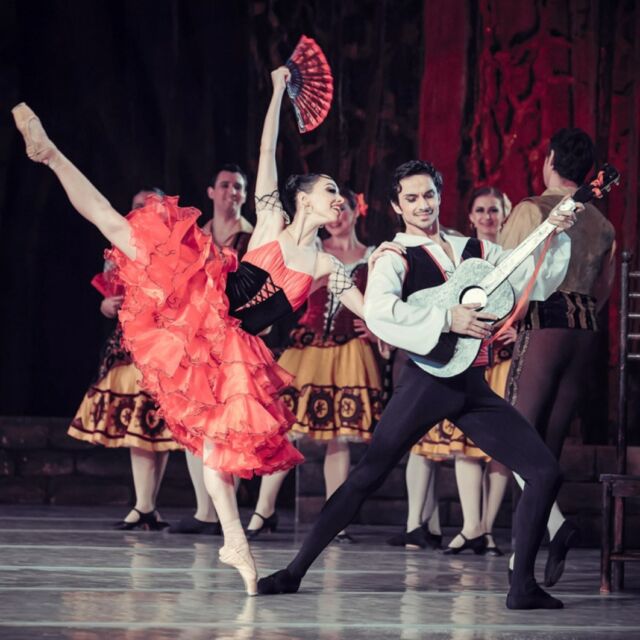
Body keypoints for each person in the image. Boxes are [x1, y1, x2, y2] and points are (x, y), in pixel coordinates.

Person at [12, 68, 382, 596]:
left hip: (232, 344)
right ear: (304, 198)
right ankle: (49, 152)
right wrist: (277, 91)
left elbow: (374, 313)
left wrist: (435, 318)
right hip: (199, 300)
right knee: (117, 225)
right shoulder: (271, 219)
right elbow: (266, 151)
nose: (339, 200)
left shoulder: (327, 265)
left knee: (218, 447)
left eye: (339, 196)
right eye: (330, 191)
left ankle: (235, 542)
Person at [257, 159, 577, 610]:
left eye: (428, 195)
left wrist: (555, 234)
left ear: (440, 197)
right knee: (367, 475)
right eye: (411, 198)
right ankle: (293, 572)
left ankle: (521, 586)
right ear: (397, 206)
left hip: (470, 384)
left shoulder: (474, 248)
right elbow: (380, 313)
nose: (422, 204)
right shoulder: (393, 255)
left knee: (545, 472)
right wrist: (446, 318)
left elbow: (532, 280)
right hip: (427, 382)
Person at [500, 128, 616, 587]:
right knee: (547, 444)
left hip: (544, 323)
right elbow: (604, 289)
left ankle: (555, 524)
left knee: (513, 435)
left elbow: (506, 271)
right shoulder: (602, 223)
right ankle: (521, 559)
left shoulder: (533, 209)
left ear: (549, 159)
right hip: (584, 332)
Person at [246, 189, 383, 542]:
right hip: (309, 350)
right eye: (333, 209)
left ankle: (334, 520)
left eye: (344, 209)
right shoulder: (314, 250)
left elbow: (380, 301)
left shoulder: (372, 256)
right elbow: (292, 292)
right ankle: (264, 509)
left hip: (349, 353)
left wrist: (376, 328)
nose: (337, 217)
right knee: (288, 428)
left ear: (357, 212)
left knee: (338, 437)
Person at [68, 188, 181, 531]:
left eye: (152, 205)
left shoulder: (174, 247)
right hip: (131, 344)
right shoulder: (120, 245)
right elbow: (111, 293)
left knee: (155, 423)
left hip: (165, 343)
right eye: (138, 206)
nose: (144, 211)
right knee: (139, 419)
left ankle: (147, 505)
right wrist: (106, 305)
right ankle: (144, 505)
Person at [168, 164, 253, 537]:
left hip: (237, 337)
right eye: (225, 185)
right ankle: (204, 509)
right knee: (196, 420)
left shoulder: (250, 237)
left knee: (231, 425)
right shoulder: (195, 237)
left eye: (238, 186)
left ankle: (226, 509)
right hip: (198, 337)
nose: (231, 191)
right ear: (211, 192)